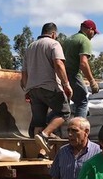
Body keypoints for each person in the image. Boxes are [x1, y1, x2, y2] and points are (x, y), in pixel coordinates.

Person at [21, 22, 73, 155]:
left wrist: (27, 89)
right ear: (54, 34)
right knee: (64, 113)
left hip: (33, 89)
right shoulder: (54, 44)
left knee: (39, 122)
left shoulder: (30, 47)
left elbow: (24, 72)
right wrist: (66, 84)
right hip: (50, 87)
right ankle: (44, 134)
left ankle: (40, 153)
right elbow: (58, 64)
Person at [62, 19, 100, 118]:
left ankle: (48, 122)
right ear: (90, 29)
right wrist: (92, 81)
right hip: (73, 75)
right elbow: (83, 63)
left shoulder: (68, 40)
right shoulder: (84, 40)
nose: (94, 35)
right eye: (94, 32)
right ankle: (79, 125)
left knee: (64, 104)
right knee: (82, 101)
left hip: (62, 76)